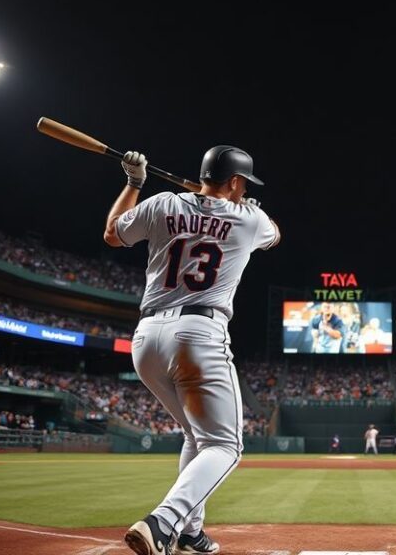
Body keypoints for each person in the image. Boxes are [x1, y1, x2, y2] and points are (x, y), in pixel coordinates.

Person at [104, 145, 280, 555]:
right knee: (226, 447)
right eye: (244, 184)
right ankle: (163, 521)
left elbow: (113, 233)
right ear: (236, 182)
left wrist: (133, 185)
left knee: (196, 434)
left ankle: (189, 532)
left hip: (146, 338)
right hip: (200, 332)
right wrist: (248, 206)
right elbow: (276, 234)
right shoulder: (249, 219)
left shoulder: (163, 203)